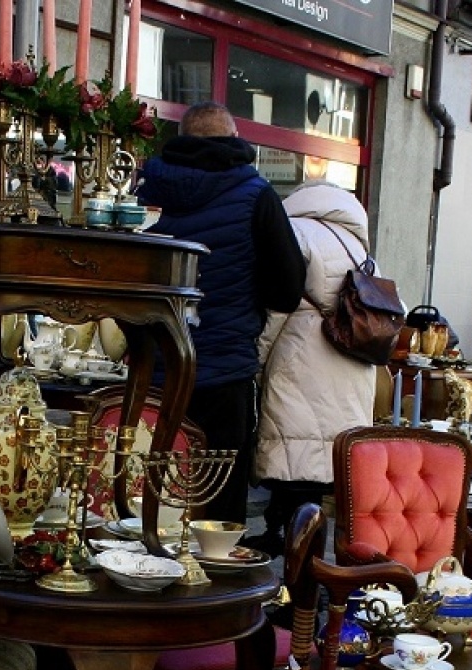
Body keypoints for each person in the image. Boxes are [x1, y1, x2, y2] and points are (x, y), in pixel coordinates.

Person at [138, 102, 305, 523]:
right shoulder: (256, 195)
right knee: (219, 502)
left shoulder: (150, 189)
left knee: (152, 491)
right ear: (233, 140)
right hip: (225, 375)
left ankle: (145, 570)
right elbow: (287, 291)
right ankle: (214, 581)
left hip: (157, 371)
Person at [252, 181, 383, 555]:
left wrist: (256, 360)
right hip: (351, 369)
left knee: (295, 467)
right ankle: (308, 560)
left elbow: (278, 307)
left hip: (301, 362)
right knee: (322, 471)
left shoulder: (296, 232)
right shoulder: (358, 248)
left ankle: (299, 574)